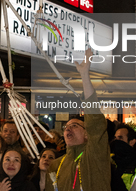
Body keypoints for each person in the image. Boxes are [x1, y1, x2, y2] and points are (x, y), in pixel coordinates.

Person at [45, 48, 111, 191]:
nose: (68, 129)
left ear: (87, 133)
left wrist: (84, 75)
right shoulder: (56, 165)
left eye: (74, 126)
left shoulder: (95, 155)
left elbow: (95, 123)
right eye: (66, 127)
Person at [111, 123, 136, 190]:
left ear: (132, 142)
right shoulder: (111, 162)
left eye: (120, 138)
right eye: (115, 138)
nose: (116, 142)